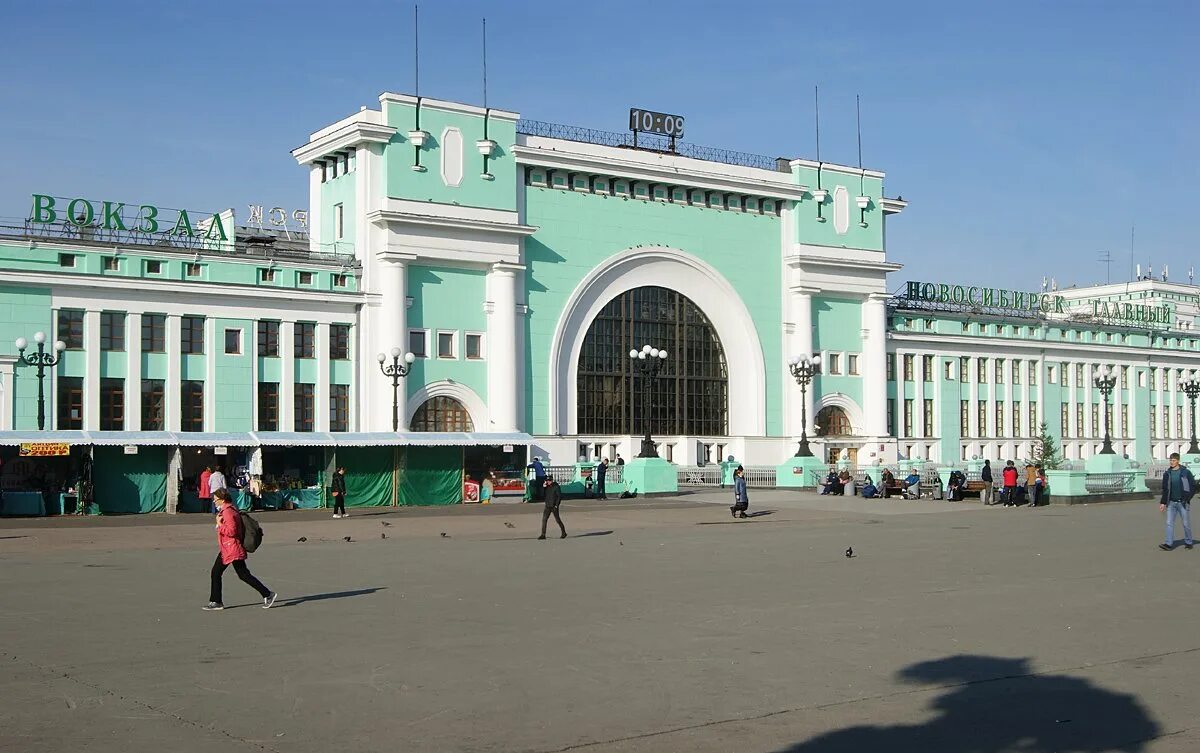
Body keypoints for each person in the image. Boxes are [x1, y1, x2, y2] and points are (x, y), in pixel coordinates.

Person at [203, 489, 276, 611]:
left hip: (231, 547)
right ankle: (267, 594)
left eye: (215, 499)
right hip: (230, 547)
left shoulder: (228, 512)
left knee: (217, 572)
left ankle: (216, 601)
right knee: (242, 574)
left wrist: (220, 525)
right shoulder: (228, 510)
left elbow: (232, 531)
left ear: (222, 499)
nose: (214, 502)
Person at [1159, 452, 1195, 551]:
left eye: (1174, 460)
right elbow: (1165, 489)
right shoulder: (1167, 474)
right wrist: (1163, 503)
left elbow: (1192, 486)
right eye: (1170, 460)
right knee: (1169, 523)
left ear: (1178, 461)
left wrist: (1187, 499)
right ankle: (1168, 543)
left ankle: (1188, 542)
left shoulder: (1185, 472)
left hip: (1183, 503)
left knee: (1186, 523)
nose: (1171, 462)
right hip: (1171, 503)